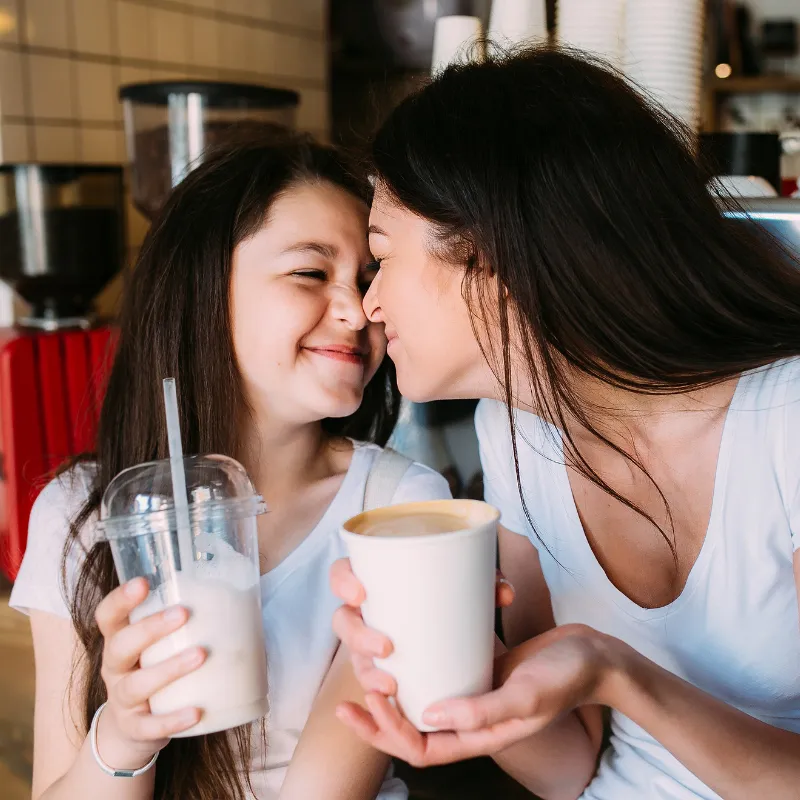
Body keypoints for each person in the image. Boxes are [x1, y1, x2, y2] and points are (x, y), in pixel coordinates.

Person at [329, 47, 800, 800]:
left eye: (381, 258)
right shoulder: (515, 431)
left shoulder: (786, 421)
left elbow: (604, 677)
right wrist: (451, 652)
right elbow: (569, 769)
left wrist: (619, 675)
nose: (369, 306)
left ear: (489, 258)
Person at [9, 137, 451, 800]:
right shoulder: (78, 514)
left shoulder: (398, 511)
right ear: (206, 290)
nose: (359, 311)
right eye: (311, 273)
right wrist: (126, 738)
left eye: (366, 279)